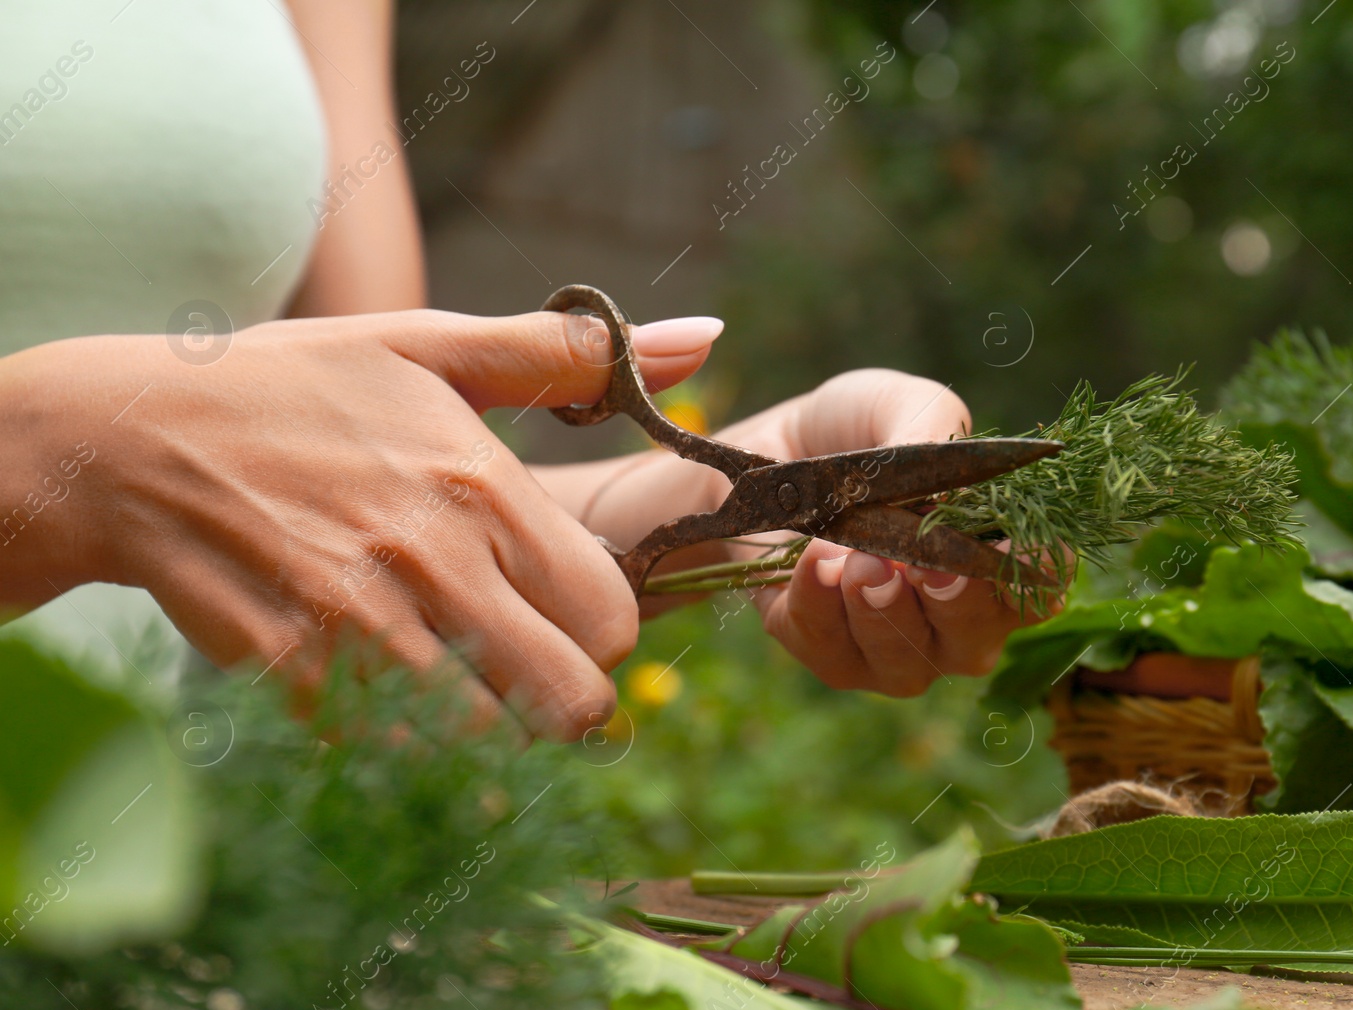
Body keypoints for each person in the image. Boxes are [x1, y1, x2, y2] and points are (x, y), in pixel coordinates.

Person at [0, 1, 1062, 741]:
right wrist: (66, 451)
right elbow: (188, 452)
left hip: (160, 922)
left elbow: (361, 489)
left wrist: (729, 486)